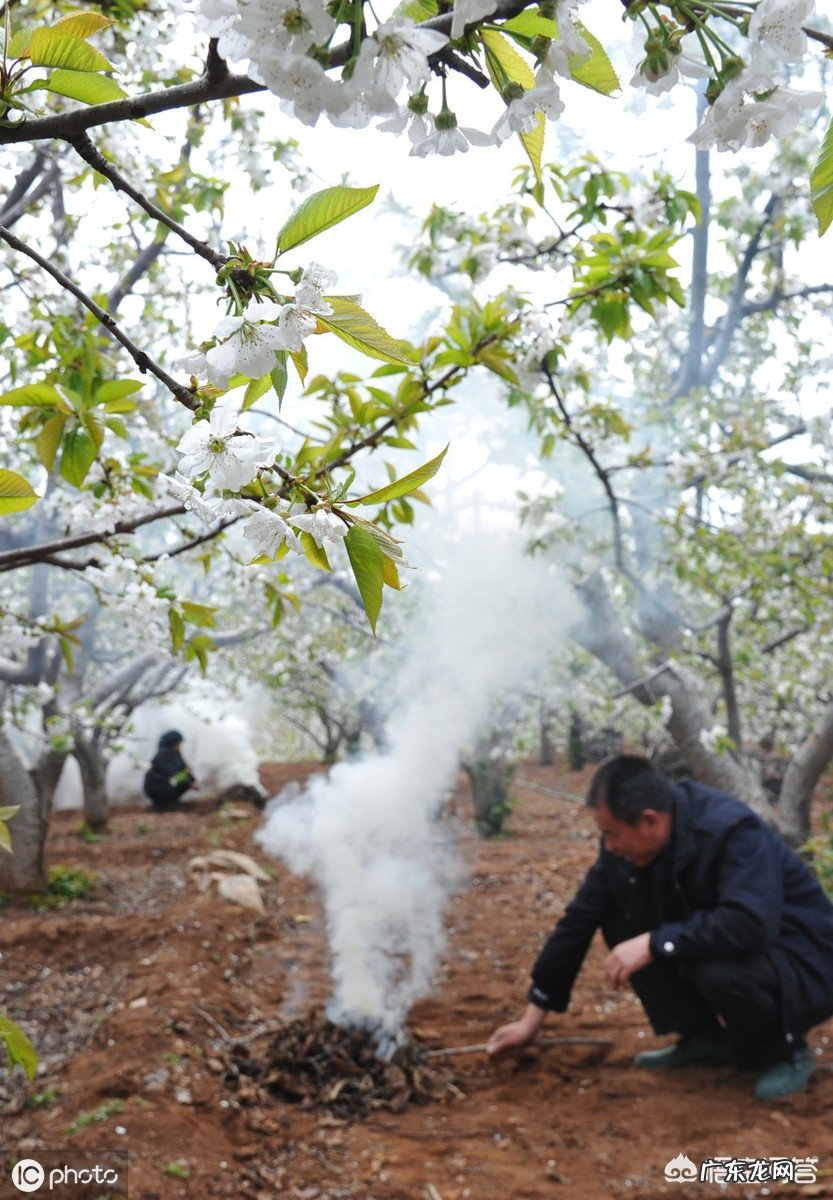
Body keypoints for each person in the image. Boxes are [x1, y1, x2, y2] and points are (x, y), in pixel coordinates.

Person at [487, 754, 833, 1100]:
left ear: (650, 821)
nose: (608, 846)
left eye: (611, 834)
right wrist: (532, 1017)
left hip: (804, 961)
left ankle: (785, 1051)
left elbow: (750, 924)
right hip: (744, 949)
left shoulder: (729, 831)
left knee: (715, 967)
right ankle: (706, 1039)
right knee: (623, 921)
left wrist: (656, 943)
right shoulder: (624, 850)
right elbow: (579, 920)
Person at [143, 730, 197, 812]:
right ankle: (161, 805)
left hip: (169, 783)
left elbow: (183, 768)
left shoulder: (176, 753)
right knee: (180, 784)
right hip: (157, 788)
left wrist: (191, 779)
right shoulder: (161, 756)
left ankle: (171, 802)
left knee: (188, 782)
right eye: (178, 744)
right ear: (172, 743)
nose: (179, 746)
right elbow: (173, 776)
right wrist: (188, 780)